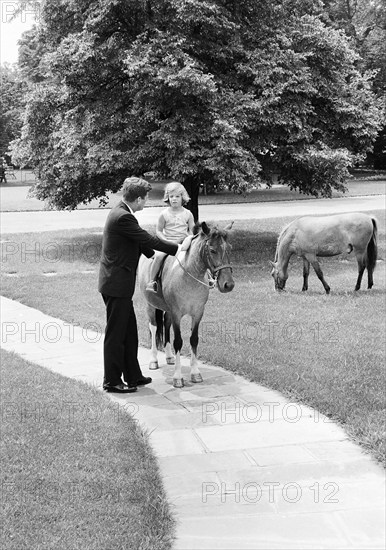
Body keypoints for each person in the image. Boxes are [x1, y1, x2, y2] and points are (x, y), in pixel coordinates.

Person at [98, 176, 179, 393]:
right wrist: (178, 250)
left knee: (129, 332)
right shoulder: (123, 217)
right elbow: (146, 239)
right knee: (116, 334)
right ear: (138, 199)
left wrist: (153, 254)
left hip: (118, 284)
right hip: (116, 285)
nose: (146, 203)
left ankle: (132, 375)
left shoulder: (122, 212)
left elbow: (140, 244)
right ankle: (112, 381)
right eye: (145, 199)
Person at [146, 181, 195, 293]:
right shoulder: (164, 214)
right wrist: (164, 240)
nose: (174, 199)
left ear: (183, 197)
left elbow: (192, 230)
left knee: (197, 254)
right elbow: (158, 230)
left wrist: (190, 238)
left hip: (183, 242)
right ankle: (152, 281)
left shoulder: (188, 214)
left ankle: (209, 277)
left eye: (177, 196)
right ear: (167, 197)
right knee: (158, 257)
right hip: (168, 242)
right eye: (171, 196)